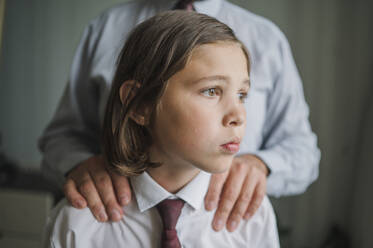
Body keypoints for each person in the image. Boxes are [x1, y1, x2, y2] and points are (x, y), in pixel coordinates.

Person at [39, 0, 320, 232]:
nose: (238, 115)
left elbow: (304, 152)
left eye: (243, 95)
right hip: (113, 215)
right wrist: (79, 164)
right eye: (211, 90)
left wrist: (261, 165)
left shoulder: (267, 39)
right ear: (136, 104)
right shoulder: (104, 29)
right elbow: (62, 136)